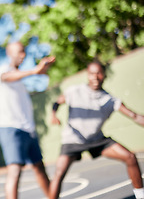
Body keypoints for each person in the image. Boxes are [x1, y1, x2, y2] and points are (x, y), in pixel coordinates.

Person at [49, 61, 144, 199]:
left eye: (99, 73)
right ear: (88, 75)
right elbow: (57, 102)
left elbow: (135, 116)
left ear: (104, 75)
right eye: (92, 73)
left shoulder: (110, 100)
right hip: (73, 140)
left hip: (96, 140)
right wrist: (53, 114)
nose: (95, 77)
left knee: (130, 157)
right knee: (59, 173)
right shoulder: (74, 91)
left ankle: (140, 196)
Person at [0, 41, 55, 199]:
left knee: (40, 168)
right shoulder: (3, 71)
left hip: (28, 129)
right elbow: (7, 77)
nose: (23, 55)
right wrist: (34, 71)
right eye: (19, 52)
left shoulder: (19, 78)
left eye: (24, 51)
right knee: (15, 170)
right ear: (8, 53)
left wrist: (40, 71)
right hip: (11, 129)